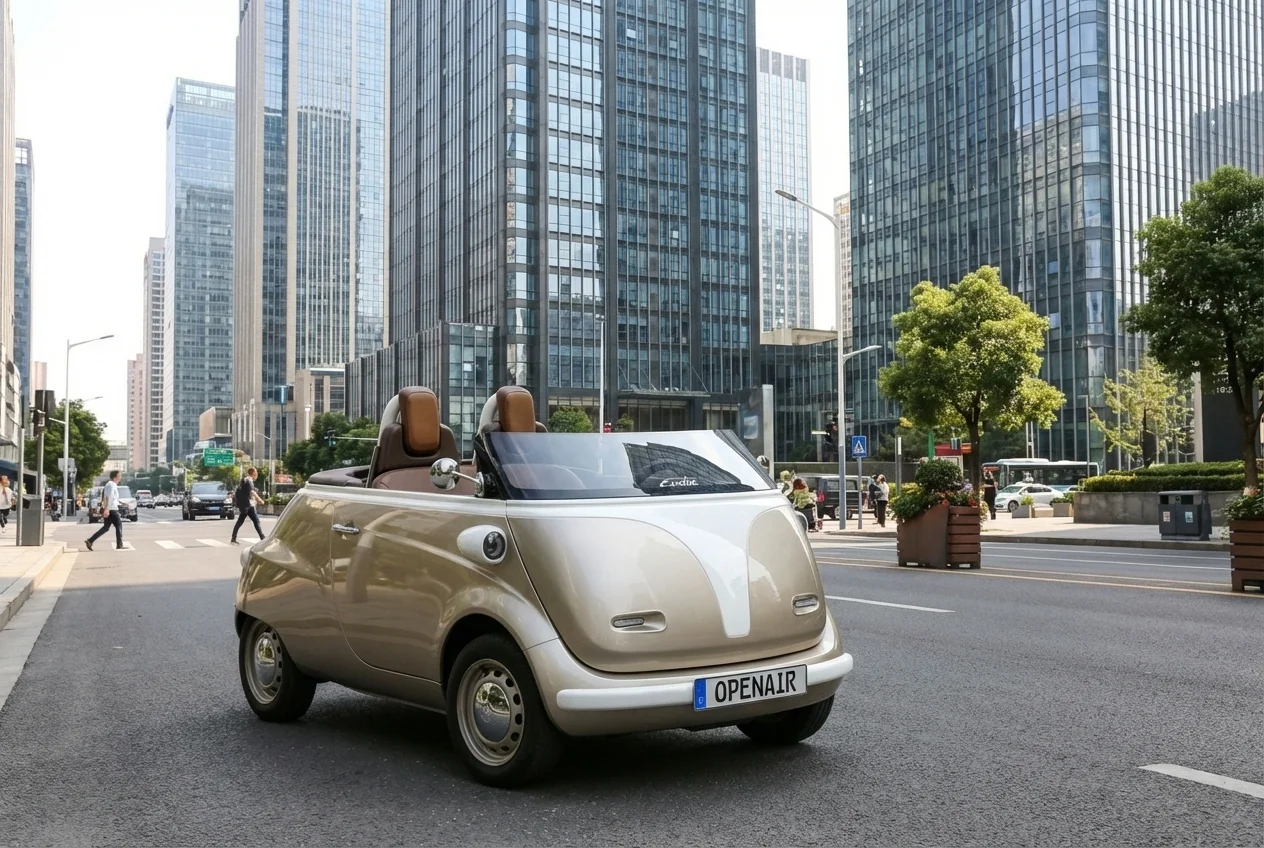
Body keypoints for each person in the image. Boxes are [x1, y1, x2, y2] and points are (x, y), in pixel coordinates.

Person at [84, 470, 124, 551]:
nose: (121, 477)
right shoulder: (112, 485)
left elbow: (110, 497)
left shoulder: (110, 485)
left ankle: (90, 540)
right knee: (119, 525)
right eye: (120, 475)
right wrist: (107, 509)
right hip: (112, 509)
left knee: (106, 527)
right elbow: (109, 497)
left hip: (110, 508)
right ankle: (119, 544)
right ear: (115, 477)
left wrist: (120, 502)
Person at [231, 467, 266, 545]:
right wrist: (259, 500)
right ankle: (262, 537)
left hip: (245, 505)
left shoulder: (244, 480)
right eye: (256, 473)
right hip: (247, 505)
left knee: (245, 521)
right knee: (254, 521)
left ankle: (233, 538)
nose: (256, 475)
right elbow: (252, 492)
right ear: (253, 474)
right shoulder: (249, 480)